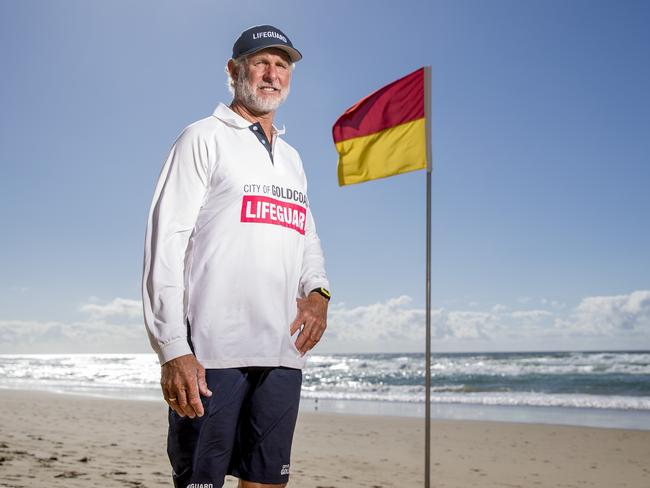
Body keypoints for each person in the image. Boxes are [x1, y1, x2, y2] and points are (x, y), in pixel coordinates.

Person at [141, 24, 331, 488]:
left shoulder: (293, 158)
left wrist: (319, 291)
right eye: (260, 63)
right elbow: (165, 243)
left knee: (267, 481)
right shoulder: (201, 137)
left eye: (281, 65)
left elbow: (306, 235)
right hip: (211, 351)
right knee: (200, 483)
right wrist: (172, 348)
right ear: (234, 71)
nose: (272, 75)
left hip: (283, 352)